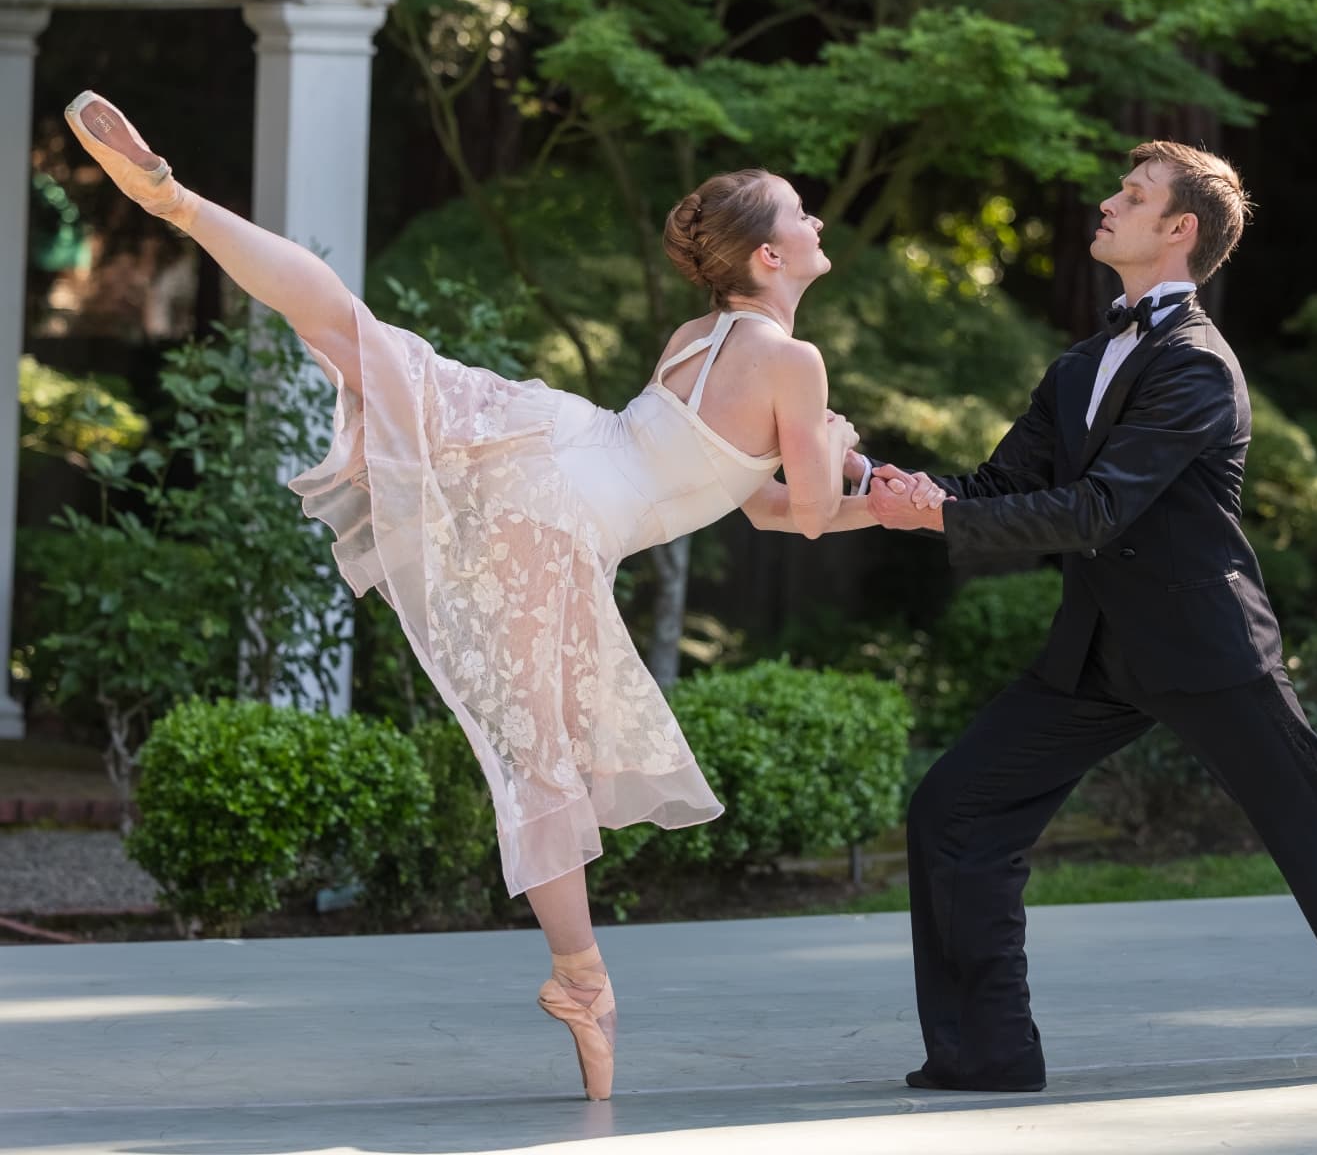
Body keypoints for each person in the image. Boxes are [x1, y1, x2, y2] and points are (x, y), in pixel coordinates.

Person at [64, 91, 883, 1101]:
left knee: (361, 339)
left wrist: (840, 475)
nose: (815, 223)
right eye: (801, 211)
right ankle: (581, 982)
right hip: (558, 509)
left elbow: (745, 501)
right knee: (536, 762)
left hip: (550, 446)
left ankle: (178, 201)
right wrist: (861, 479)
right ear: (768, 256)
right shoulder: (793, 360)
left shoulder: (696, 338)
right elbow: (804, 513)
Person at [864, 140, 1317, 1091]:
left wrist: (940, 513)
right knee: (956, 810)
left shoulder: (1198, 365)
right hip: (1095, 652)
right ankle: (985, 1051)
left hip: (1206, 644)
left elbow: (1098, 510)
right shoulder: (1081, 365)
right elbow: (995, 486)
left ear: (1180, 229)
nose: (1108, 203)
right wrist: (904, 489)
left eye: (1134, 194)